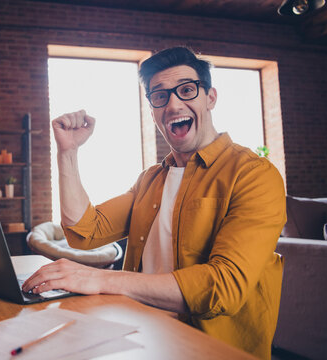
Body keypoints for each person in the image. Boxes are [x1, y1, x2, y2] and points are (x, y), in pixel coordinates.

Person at [22, 47, 286, 359]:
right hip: (141, 337)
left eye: (187, 90)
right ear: (152, 110)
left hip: (211, 351)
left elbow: (223, 287)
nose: (173, 104)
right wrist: (67, 151)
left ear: (210, 98)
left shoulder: (254, 174)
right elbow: (84, 233)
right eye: (160, 96)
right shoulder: (150, 179)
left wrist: (100, 278)